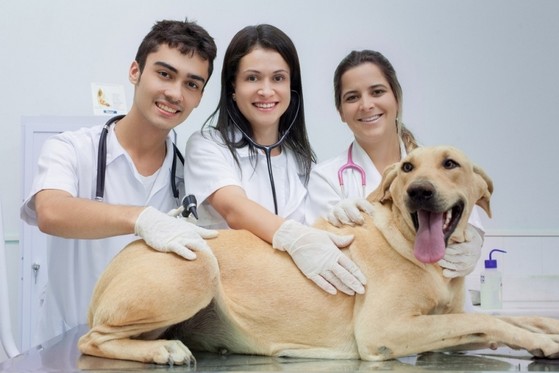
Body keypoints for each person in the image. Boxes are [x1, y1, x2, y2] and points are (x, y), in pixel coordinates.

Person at [20, 19, 218, 345]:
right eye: (164, 74)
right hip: (67, 353)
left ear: (199, 98)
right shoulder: (72, 149)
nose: (174, 93)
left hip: (144, 352)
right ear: (135, 72)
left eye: (191, 84)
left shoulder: (190, 182)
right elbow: (50, 212)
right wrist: (140, 218)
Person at [184, 24, 366, 296]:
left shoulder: (303, 162)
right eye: (252, 78)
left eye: (278, 78)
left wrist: (339, 214)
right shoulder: (209, 145)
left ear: (292, 87)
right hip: (226, 301)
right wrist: (295, 238)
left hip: (286, 303)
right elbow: (234, 209)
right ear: (233, 86)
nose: (266, 91)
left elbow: (320, 228)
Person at [306, 50, 484, 279]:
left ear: (397, 99)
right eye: (352, 97)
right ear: (341, 112)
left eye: (377, 91)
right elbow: (323, 251)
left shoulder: (444, 165)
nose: (366, 104)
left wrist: (475, 240)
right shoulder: (326, 178)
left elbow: (470, 216)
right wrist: (334, 220)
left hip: (445, 299)